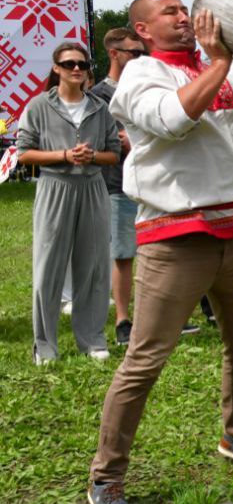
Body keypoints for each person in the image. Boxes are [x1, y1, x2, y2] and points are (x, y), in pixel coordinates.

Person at [89, 0, 233, 504]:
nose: (184, 18)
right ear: (142, 31)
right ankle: (106, 477)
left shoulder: (227, 68)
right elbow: (172, 120)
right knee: (146, 358)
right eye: (170, 13)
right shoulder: (141, 77)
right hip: (175, 235)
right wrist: (225, 62)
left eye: (186, 9)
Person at [16, 42, 121, 364]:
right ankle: (45, 345)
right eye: (70, 63)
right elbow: (24, 152)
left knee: (93, 266)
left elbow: (114, 152)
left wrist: (93, 157)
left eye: (83, 64)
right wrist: (63, 156)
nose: (77, 69)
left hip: (92, 187)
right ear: (56, 68)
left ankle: (92, 339)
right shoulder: (38, 106)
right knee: (48, 267)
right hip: (54, 186)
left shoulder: (100, 108)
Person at [87, 28, 148, 345]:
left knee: (158, 253)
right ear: (114, 53)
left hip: (154, 183)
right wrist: (122, 141)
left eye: (143, 53)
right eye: (134, 53)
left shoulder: (148, 87)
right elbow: (99, 142)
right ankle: (124, 321)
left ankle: (157, 317)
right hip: (118, 184)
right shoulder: (98, 95)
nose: (141, 59)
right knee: (123, 253)